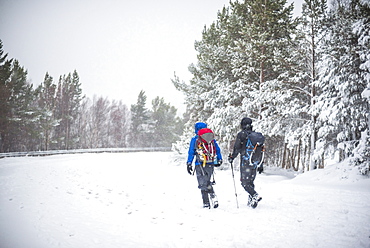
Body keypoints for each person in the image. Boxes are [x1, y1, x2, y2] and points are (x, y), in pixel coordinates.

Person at [228, 117, 263, 208]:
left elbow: (237, 147)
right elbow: (260, 151)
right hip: (255, 162)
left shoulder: (242, 135)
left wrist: (232, 157)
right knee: (250, 181)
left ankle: (255, 195)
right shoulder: (256, 136)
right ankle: (251, 202)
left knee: (244, 182)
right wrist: (261, 164)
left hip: (246, 162)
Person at [187, 122, 223, 208]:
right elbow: (217, 149)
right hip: (210, 163)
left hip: (199, 163)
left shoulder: (195, 139)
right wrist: (219, 159)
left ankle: (206, 203)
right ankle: (213, 197)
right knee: (207, 181)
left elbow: (191, 152)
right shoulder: (211, 139)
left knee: (202, 183)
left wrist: (189, 163)